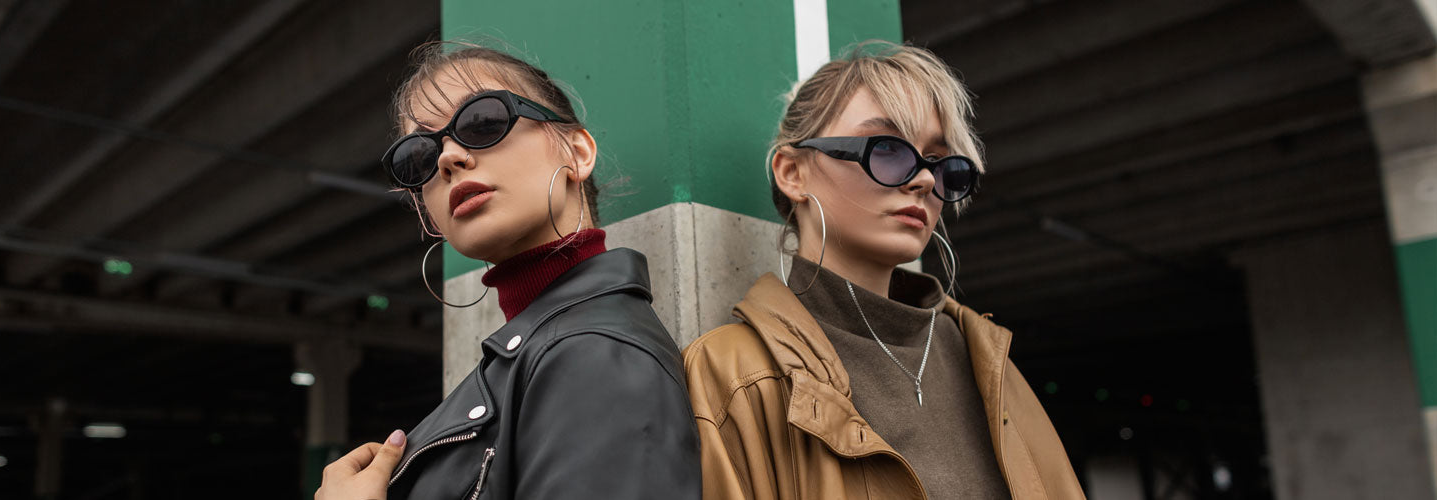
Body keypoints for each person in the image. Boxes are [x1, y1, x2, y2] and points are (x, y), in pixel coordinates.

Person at [682, 41, 1085, 499]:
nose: (925, 179)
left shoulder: (988, 361)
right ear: (793, 172)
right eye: (888, 149)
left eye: (941, 163)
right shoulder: (732, 374)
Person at [315, 41, 700, 500]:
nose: (447, 159)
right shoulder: (538, 353)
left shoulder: (589, 353)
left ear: (577, 152)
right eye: (418, 156)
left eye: (482, 122)